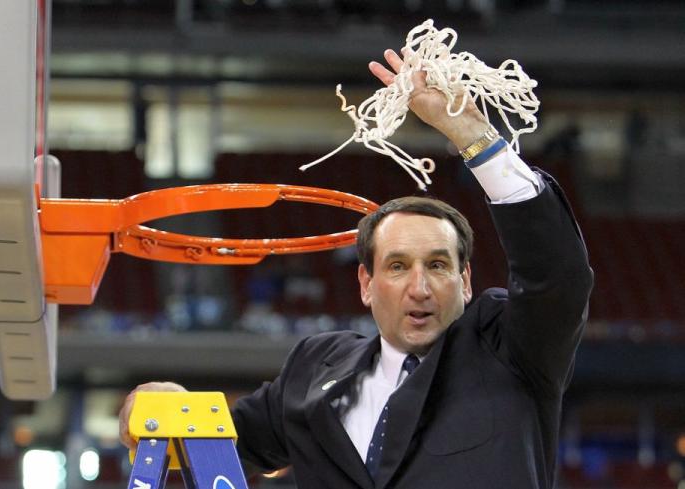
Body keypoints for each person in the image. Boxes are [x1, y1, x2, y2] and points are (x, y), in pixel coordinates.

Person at [119, 49, 593, 489]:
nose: (420, 288)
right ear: (366, 284)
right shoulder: (313, 369)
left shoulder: (510, 349)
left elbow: (557, 276)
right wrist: (165, 403)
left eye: (438, 265)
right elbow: (227, 440)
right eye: (398, 266)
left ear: (466, 281)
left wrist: (473, 134)